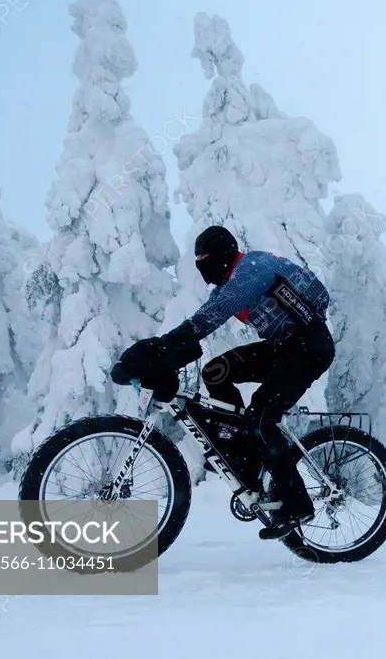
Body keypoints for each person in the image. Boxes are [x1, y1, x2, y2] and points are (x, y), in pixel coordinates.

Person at [111, 225, 334, 540]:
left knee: (261, 420)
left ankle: (297, 504)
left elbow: (210, 317)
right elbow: (197, 330)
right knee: (215, 372)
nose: (203, 267)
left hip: (310, 348)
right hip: (282, 347)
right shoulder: (228, 282)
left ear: (224, 255)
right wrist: (161, 360)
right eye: (198, 261)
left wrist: (156, 351)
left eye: (206, 259)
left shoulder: (253, 269)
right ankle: (244, 453)